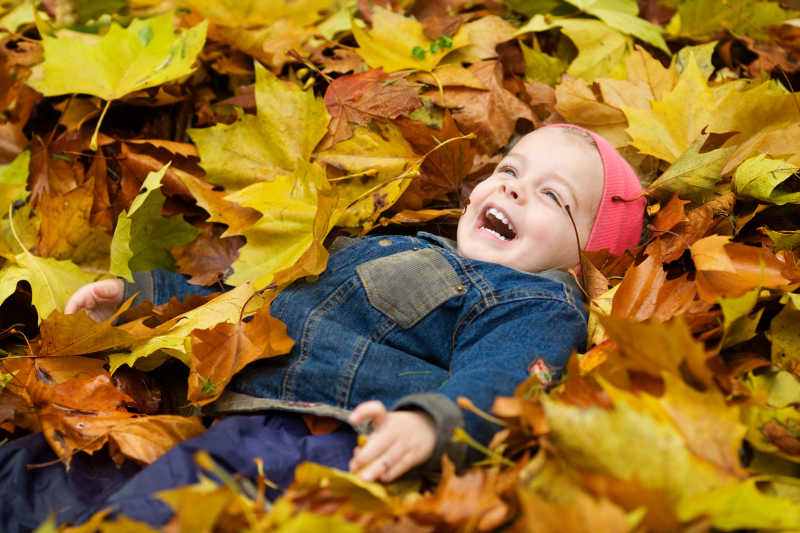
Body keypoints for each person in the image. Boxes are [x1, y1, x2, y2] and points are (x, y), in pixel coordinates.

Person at [51, 124, 644, 524]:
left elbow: (508, 375)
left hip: (318, 439)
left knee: (170, 508)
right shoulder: (398, 244)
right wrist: (146, 301)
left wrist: (431, 424)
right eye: (511, 168)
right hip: (212, 402)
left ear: (582, 260)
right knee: (54, 475)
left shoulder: (534, 300)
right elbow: (252, 296)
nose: (513, 185)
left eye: (552, 196)